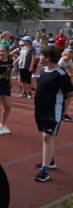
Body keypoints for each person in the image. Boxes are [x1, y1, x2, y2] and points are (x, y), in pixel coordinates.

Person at [33, 46, 73, 182]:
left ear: (48, 58)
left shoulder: (61, 74)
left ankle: (45, 171)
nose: (40, 57)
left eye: (42, 55)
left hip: (53, 111)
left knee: (47, 137)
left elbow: (69, 94)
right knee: (45, 136)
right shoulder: (43, 71)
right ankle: (50, 161)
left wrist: (59, 106)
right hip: (40, 110)